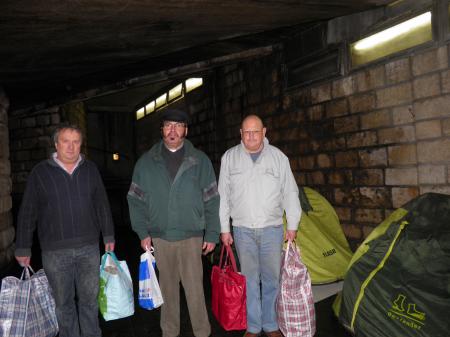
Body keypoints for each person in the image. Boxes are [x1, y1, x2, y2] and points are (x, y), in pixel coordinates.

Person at [14, 124, 115, 337]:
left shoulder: (90, 169)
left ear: (81, 144)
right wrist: (23, 246)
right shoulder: (40, 172)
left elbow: (102, 204)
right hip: (54, 252)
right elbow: (28, 211)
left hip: (89, 248)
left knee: (89, 302)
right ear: (56, 144)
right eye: (65, 141)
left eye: (76, 141)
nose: (71, 147)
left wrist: (108, 235)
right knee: (63, 305)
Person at [127, 108, 220, 337]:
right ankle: (169, 333)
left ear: (185, 130)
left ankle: (202, 332)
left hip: (191, 237)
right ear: (162, 129)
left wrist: (212, 233)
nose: (173, 130)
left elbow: (212, 199)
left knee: (195, 291)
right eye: (168, 125)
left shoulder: (200, 161)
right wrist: (142, 232)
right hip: (161, 237)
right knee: (167, 291)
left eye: (178, 126)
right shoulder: (146, 163)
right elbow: (135, 201)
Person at [218, 114, 301, 337]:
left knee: (272, 279)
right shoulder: (230, 158)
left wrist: (292, 225)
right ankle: (253, 326)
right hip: (242, 230)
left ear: (264, 132)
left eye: (255, 131)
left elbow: (290, 192)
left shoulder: (279, 158)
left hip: (272, 230)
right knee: (250, 280)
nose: (251, 136)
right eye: (246, 132)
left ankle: (271, 324)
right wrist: (225, 229)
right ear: (241, 134)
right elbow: (223, 196)